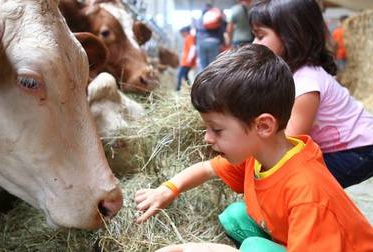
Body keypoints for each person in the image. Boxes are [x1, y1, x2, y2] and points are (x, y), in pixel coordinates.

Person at [134, 44, 373, 252]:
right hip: (298, 237)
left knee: (252, 247)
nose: (207, 138)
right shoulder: (258, 154)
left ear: (263, 125)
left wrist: (208, 249)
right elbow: (208, 168)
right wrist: (168, 190)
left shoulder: (307, 192)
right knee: (235, 216)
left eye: (217, 130)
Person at [249, 0, 373, 188]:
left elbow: (288, 145)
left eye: (260, 36)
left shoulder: (305, 84)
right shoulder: (291, 75)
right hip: (347, 148)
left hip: (359, 149)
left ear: (290, 36)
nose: (254, 43)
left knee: (297, 180)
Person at [195, 3, 226, 72]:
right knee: (213, 66)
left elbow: (196, 34)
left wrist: (196, 46)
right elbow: (221, 31)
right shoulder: (216, 18)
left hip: (202, 42)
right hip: (214, 42)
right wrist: (223, 43)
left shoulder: (199, 20)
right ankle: (213, 82)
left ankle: (201, 82)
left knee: (202, 67)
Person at [176, 26, 196, 91]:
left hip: (186, 62)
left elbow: (192, 48)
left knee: (179, 75)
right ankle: (190, 88)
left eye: (181, 33)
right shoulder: (189, 37)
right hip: (186, 62)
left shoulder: (189, 37)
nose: (181, 35)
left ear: (185, 32)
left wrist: (189, 59)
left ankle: (178, 89)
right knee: (185, 75)